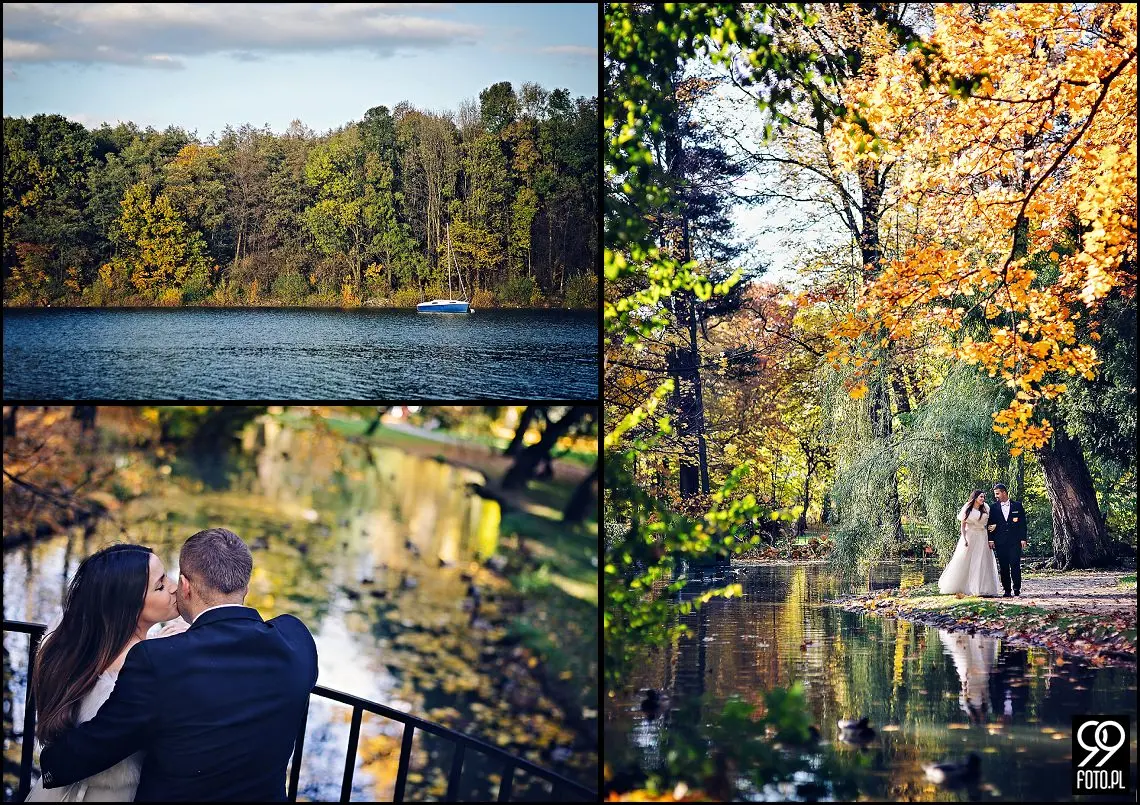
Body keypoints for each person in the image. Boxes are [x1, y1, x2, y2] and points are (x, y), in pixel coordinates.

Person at [37, 528, 319, 802]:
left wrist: (50, 765)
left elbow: (97, 746)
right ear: (246, 584)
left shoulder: (159, 660)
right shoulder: (297, 641)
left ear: (185, 586)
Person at [26, 544, 189, 802]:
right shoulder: (150, 664)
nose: (173, 587)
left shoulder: (72, 645)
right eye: (160, 585)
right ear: (128, 606)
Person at [937, 489, 1001, 596]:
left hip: (982, 535)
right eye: (981, 497)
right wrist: (965, 538)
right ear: (975, 497)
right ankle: (962, 585)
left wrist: (994, 526)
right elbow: (963, 525)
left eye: (983, 497)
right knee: (966, 560)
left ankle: (982, 587)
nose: (983, 499)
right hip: (970, 535)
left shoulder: (986, 507)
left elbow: (991, 520)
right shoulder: (967, 508)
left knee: (982, 560)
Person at [987, 483, 1028, 597]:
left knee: (1015, 564)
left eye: (997, 493)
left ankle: (1016, 589)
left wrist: (1023, 538)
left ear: (1004, 492)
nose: (996, 496)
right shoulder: (993, 507)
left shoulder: (1017, 505)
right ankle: (1007, 590)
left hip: (1015, 541)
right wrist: (991, 540)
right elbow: (990, 525)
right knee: (1004, 566)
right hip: (1000, 541)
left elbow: (1022, 524)